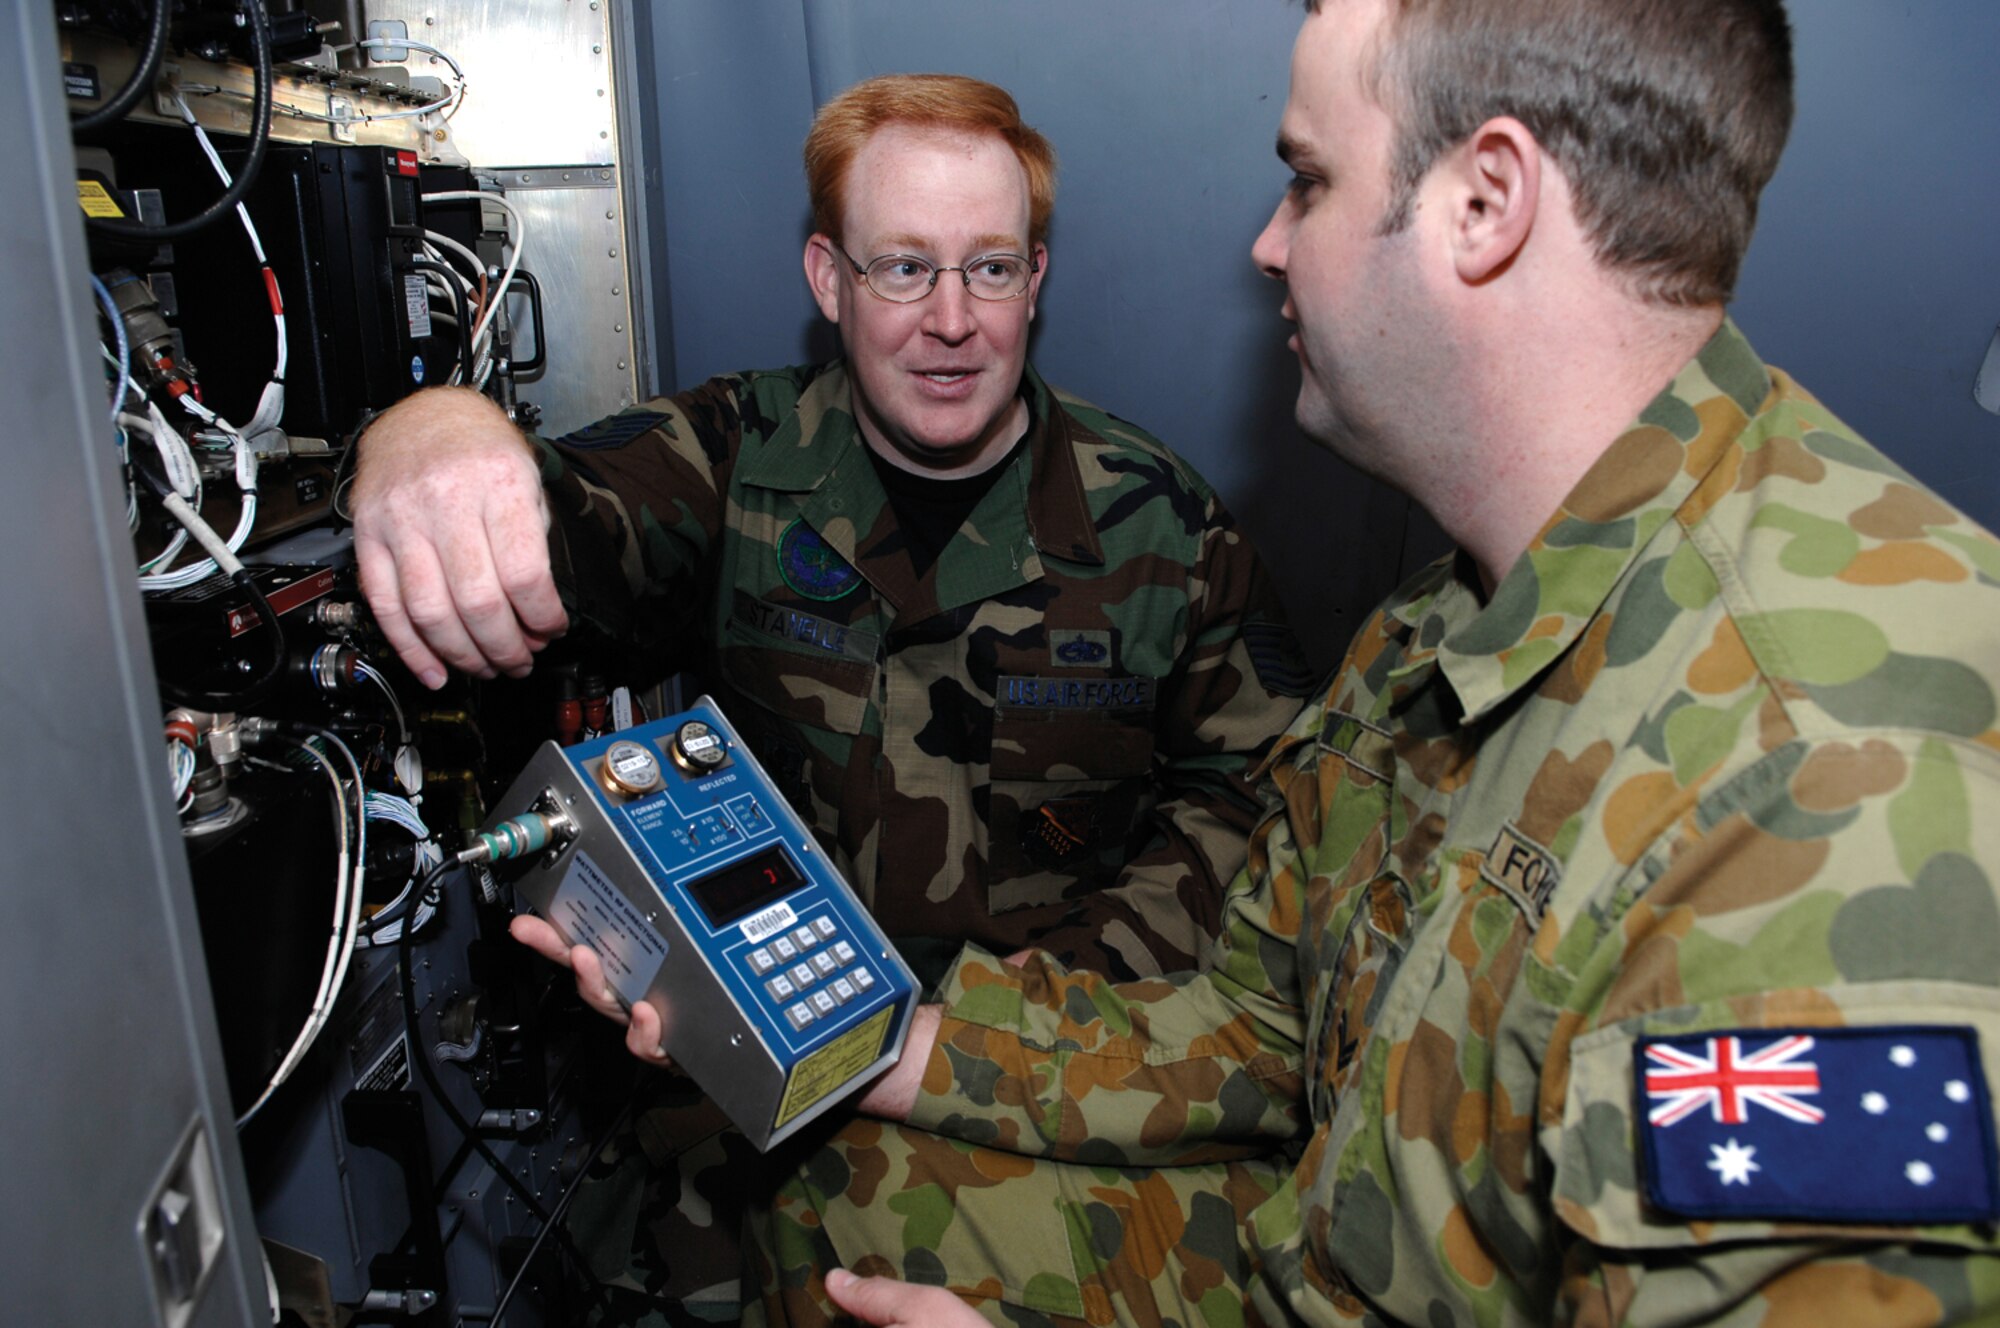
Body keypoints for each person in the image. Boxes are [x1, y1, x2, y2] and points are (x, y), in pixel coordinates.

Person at [745, 2, 2000, 1324]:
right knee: (844, 1188)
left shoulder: (1822, 772)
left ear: (1484, 203)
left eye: (1309, 180)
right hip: (1335, 1247)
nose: (1269, 245)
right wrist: (860, 1038)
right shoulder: (1448, 616)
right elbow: (1254, 1028)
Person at [352, 73, 1313, 1322]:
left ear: (1037, 279)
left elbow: (1254, 802)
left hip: (1049, 1073)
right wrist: (429, 431)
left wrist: (1021, 1006)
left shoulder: (1161, 525)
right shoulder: (738, 455)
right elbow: (557, 515)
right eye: (902, 268)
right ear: (829, 281)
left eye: (989, 268)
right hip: (752, 1091)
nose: (951, 320)